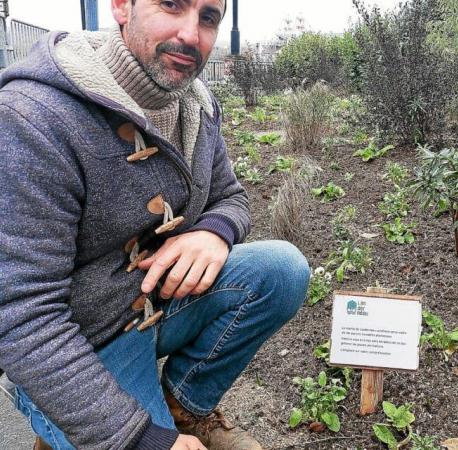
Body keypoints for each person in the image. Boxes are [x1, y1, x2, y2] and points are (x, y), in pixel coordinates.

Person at [0, 0, 310, 449]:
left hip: (160, 308)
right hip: (85, 342)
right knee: (131, 436)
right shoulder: (34, 118)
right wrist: (143, 438)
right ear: (122, 6)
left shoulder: (196, 104)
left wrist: (214, 231)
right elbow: (20, 315)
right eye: (171, 4)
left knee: (281, 270)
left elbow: (231, 195)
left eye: (208, 16)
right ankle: (70, 422)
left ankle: (182, 407)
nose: (191, 33)